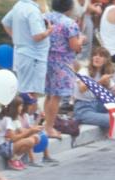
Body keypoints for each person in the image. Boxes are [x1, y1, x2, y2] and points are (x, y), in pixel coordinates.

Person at [43, 0, 83, 138]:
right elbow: (74, 46)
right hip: (62, 62)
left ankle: (46, 124)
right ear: (69, 7)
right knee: (56, 96)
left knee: (48, 94)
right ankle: (49, 127)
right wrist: (81, 41)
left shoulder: (45, 17)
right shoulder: (69, 23)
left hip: (46, 58)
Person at [2, 0, 54, 100]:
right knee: (31, 91)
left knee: (24, 88)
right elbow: (37, 36)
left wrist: (15, 37)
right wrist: (49, 31)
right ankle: (27, 113)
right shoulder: (32, 10)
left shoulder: (19, 5)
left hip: (22, 52)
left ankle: (25, 112)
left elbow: (5, 22)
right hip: (34, 56)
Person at [72, 47, 115, 129]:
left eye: (101, 56)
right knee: (112, 119)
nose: (97, 57)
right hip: (83, 108)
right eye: (95, 55)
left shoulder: (103, 73)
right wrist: (100, 82)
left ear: (106, 60)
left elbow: (114, 90)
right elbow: (82, 89)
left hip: (97, 105)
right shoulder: (84, 71)